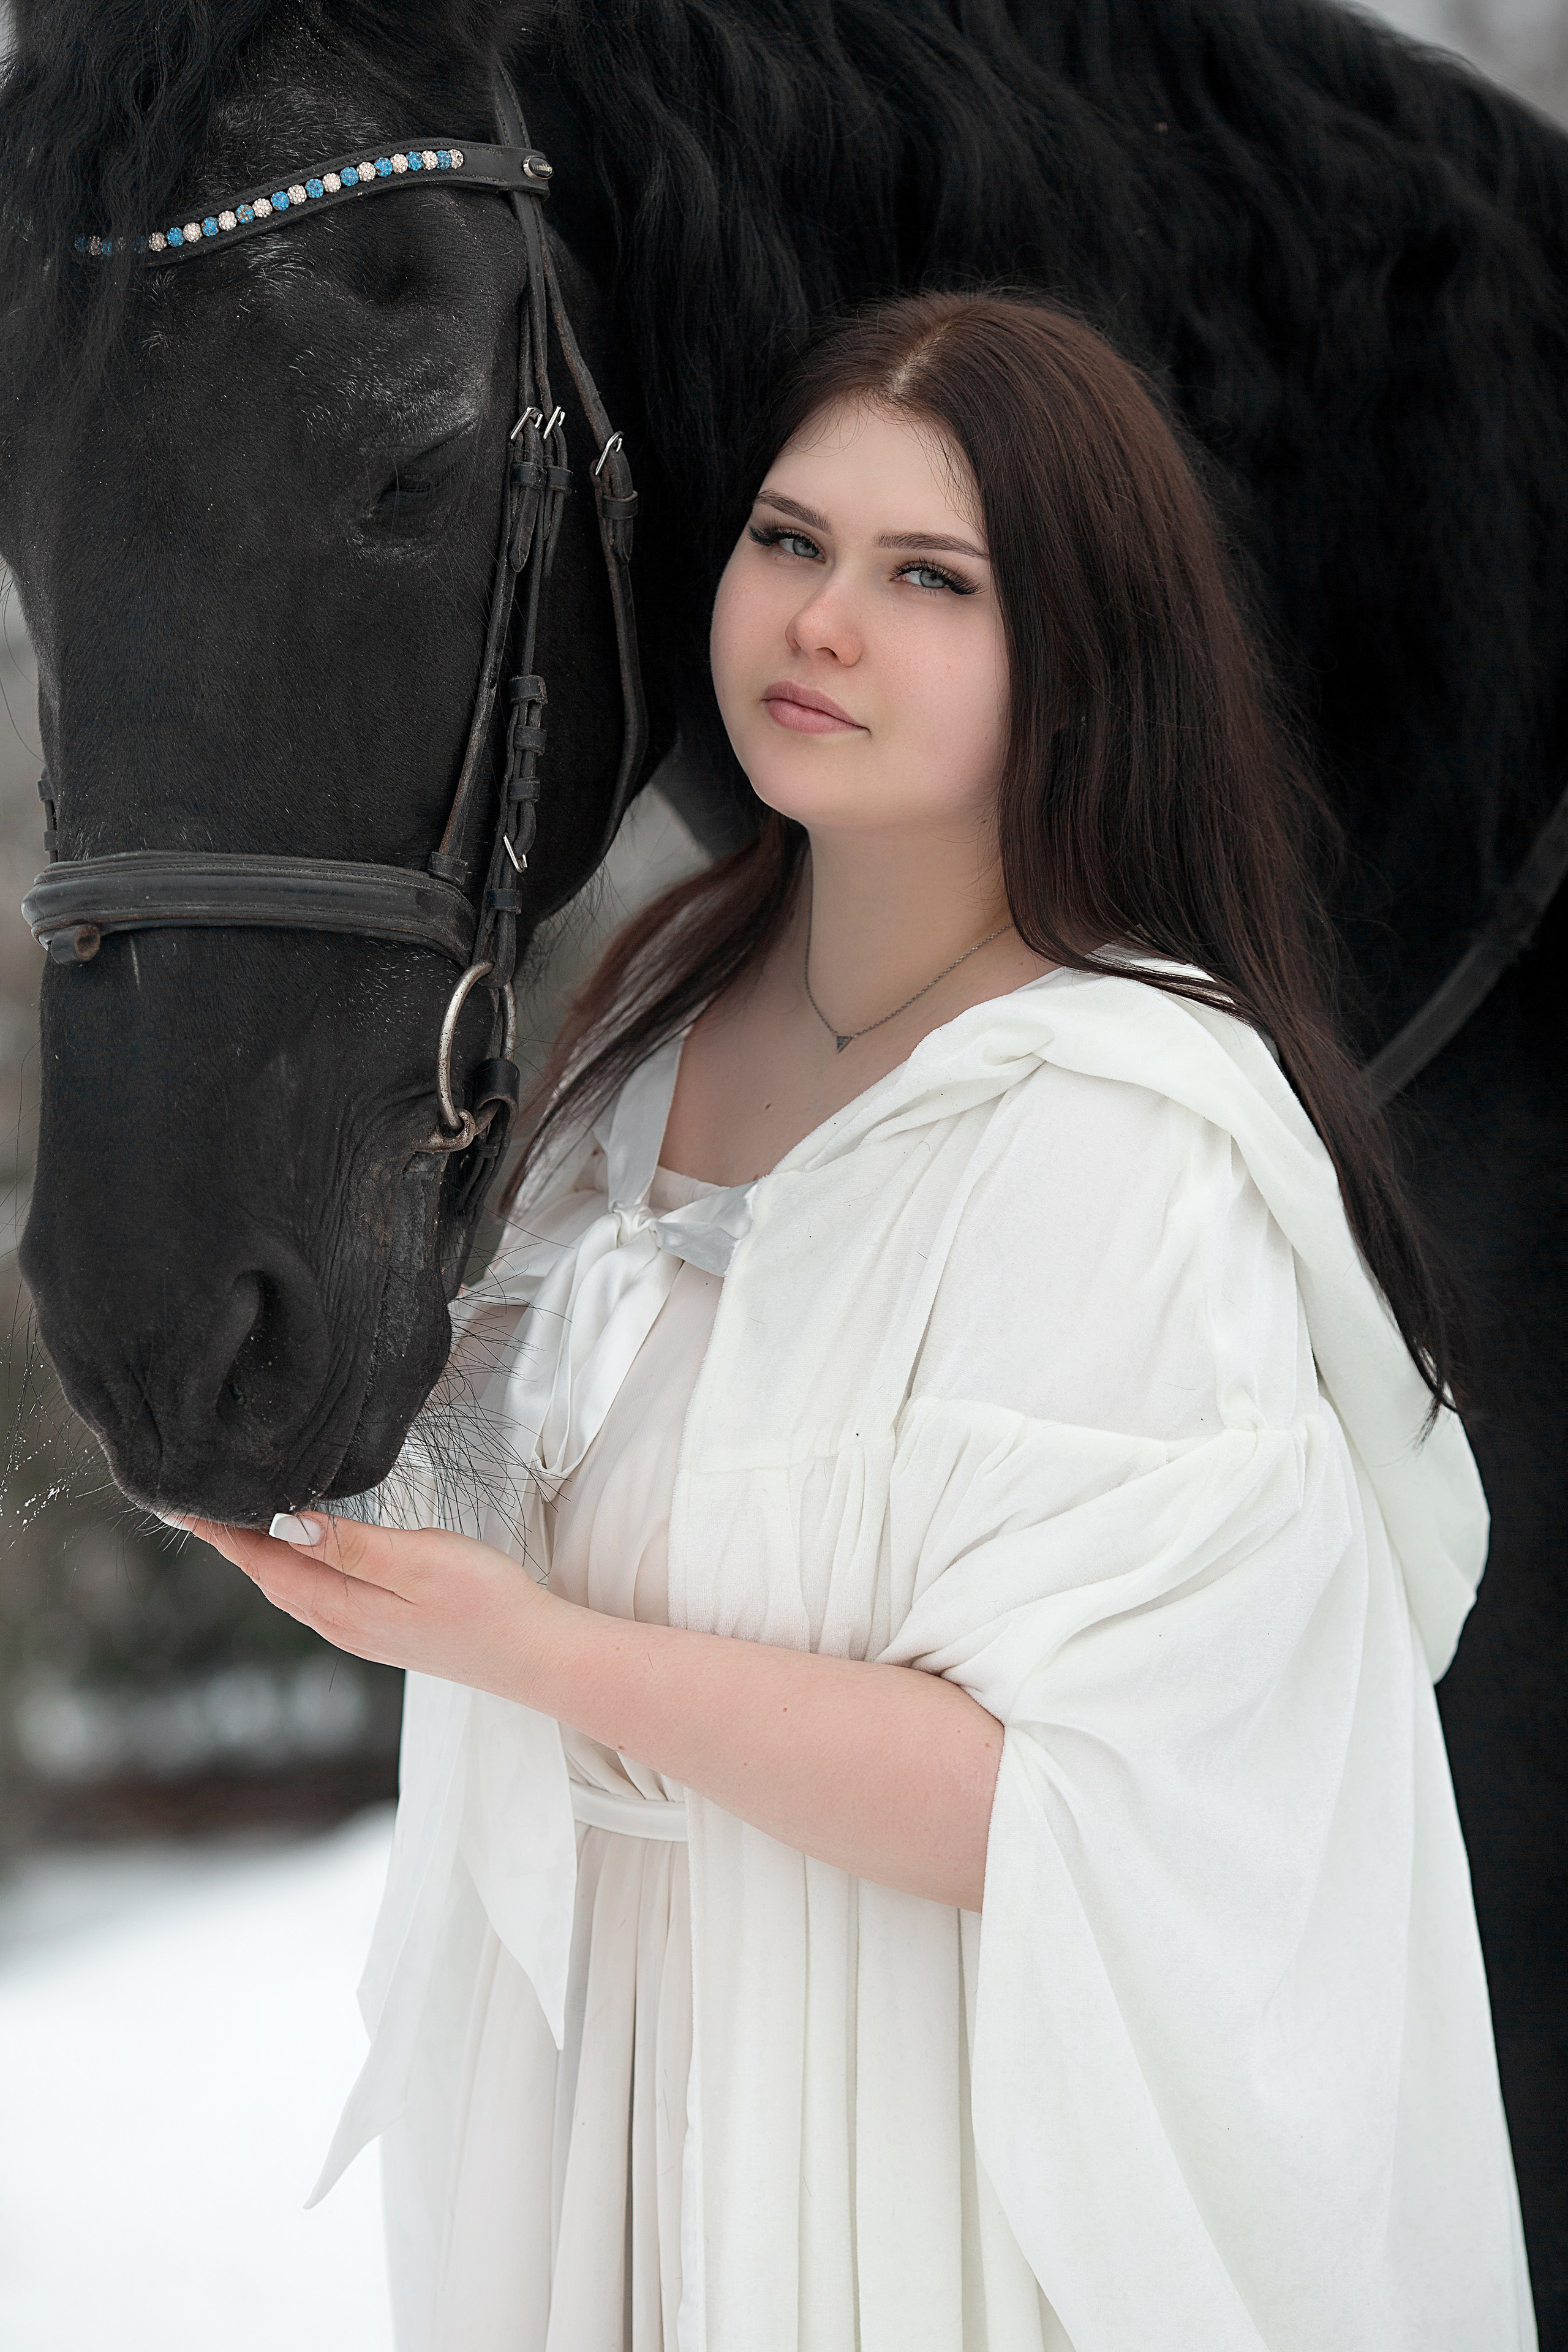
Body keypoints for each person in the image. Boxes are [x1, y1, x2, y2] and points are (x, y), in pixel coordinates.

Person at [192, 292, 1535, 2351]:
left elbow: (1067, 1803)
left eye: (930, 578)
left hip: (921, 2147)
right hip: (617, 2112)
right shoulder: (641, 1033)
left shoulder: (1127, 1137)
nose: (821, 620)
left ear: (1082, 656)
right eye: (791, 541)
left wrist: (533, 1653)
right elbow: (538, 1467)